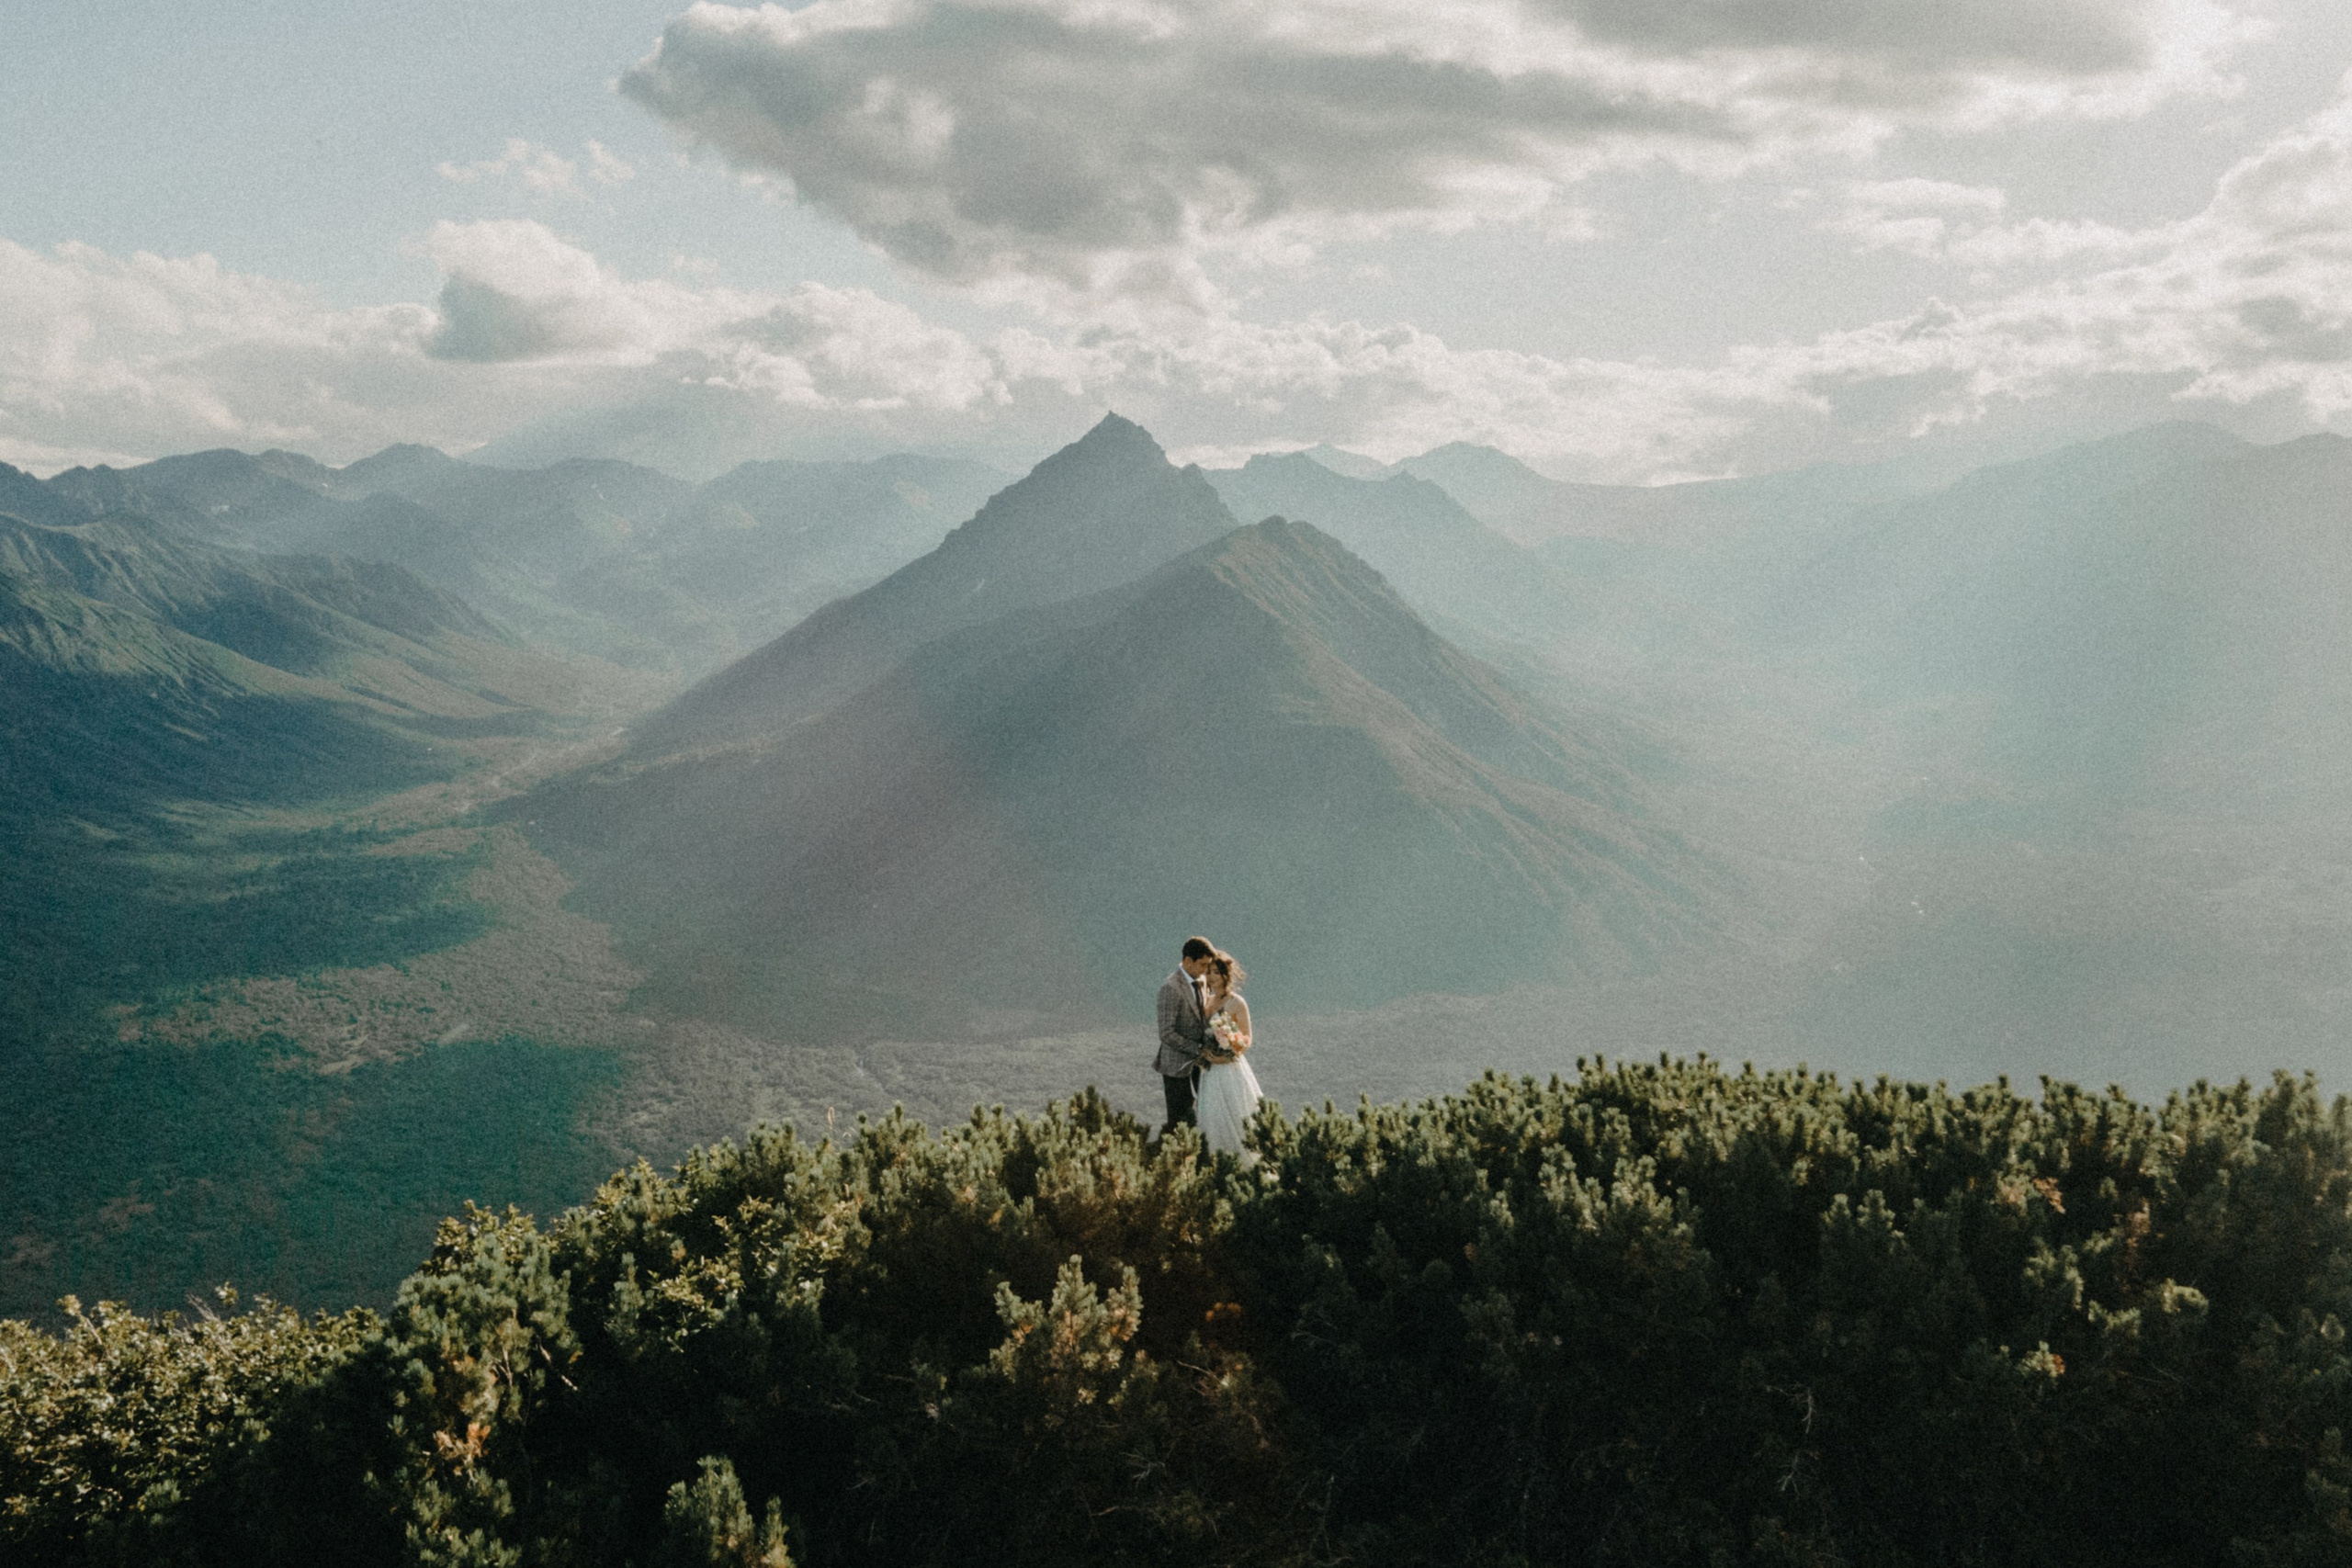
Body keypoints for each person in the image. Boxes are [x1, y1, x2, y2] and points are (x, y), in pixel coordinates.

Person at [1193, 948, 1262, 1161]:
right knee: (1213, 1117)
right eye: (1209, 972)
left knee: (1236, 1115)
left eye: (1216, 972)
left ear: (1226, 975)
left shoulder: (1237, 1003)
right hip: (1210, 1070)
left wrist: (1227, 1053)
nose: (1211, 977)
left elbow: (1247, 1039)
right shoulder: (1206, 1002)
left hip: (1230, 1069)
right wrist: (1206, 1051)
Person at [1154, 937, 1219, 1137]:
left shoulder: (1203, 981)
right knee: (1179, 1120)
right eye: (1203, 964)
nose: (1206, 970)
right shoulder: (1171, 988)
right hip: (1176, 1066)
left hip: (1200, 1065)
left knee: (1204, 1114)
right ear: (1188, 961)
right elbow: (1166, 1033)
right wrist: (1198, 1049)